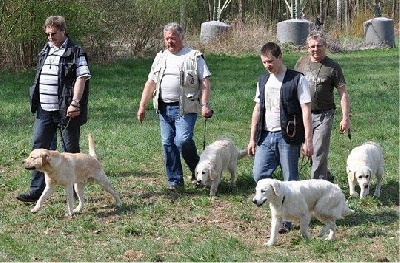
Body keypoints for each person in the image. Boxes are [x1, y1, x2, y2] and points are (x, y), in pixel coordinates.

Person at [17, 16, 91, 202]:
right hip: (44, 110)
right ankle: (36, 190)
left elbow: (81, 78)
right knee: (38, 149)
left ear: (63, 31)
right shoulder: (46, 49)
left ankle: (74, 190)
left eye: (54, 33)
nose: (50, 37)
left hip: (66, 110)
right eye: (48, 34)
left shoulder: (76, 51)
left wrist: (75, 102)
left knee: (70, 150)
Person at [137, 22, 212, 190]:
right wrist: (142, 106)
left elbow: (205, 81)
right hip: (164, 108)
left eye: (173, 38)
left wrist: (205, 104)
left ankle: (198, 170)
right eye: (166, 38)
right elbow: (150, 83)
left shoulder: (194, 56)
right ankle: (175, 182)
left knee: (183, 140)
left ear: (181, 37)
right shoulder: (160, 57)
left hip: (185, 108)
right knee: (167, 144)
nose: (169, 41)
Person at [247, 42, 313, 232]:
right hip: (266, 136)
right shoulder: (263, 81)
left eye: (271, 61)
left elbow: (306, 110)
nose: (268, 65)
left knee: (291, 178)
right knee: (259, 174)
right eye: (264, 62)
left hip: (289, 136)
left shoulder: (297, 79)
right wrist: (252, 138)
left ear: (280, 57)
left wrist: (308, 140)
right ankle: (277, 199)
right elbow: (257, 109)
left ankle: (288, 219)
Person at [294, 32, 350, 182]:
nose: (316, 49)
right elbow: (293, 88)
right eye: (312, 46)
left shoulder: (333, 67)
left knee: (319, 151)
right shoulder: (301, 64)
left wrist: (345, 118)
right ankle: (326, 177)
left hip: (324, 115)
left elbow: (343, 93)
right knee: (305, 150)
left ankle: (317, 187)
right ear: (307, 48)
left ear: (325, 47)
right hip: (303, 114)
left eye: (319, 46)